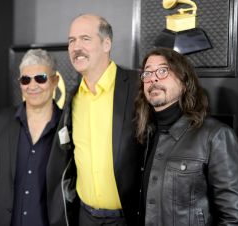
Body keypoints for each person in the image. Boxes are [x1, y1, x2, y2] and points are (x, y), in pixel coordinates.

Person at [135, 47, 238, 226]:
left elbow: (234, 219)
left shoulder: (216, 136)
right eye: (147, 73)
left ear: (183, 81)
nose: (153, 78)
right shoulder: (146, 135)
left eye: (163, 71)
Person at [59, 13, 142, 226]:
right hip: (84, 216)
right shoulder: (72, 98)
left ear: (106, 44)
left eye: (85, 39)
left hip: (128, 218)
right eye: (71, 41)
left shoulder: (138, 86)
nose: (76, 47)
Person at [0, 49, 72, 226]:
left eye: (41, 78)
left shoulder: (69, 126)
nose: (32, 85)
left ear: (55, 81)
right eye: (26, 79)